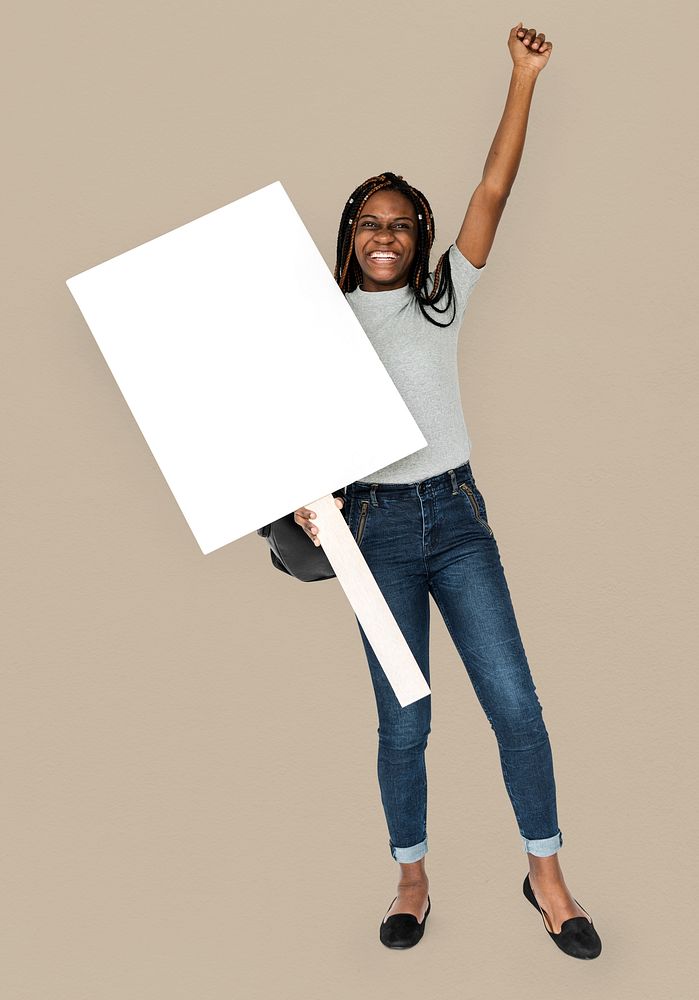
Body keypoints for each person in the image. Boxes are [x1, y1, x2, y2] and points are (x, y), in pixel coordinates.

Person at [294, 23, 601, 959]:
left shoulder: (442, 295)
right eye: (368, 223)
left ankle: (544, 874)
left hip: (457, 519)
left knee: (515, 704)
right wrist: (304, 498)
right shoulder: (313, 321)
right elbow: (280, 437)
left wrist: (521, 78)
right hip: (375, 531)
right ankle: (412, 878)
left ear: (418, 235)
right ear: (349, 236)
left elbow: (493, 186)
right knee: (405, 721)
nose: (384, 235)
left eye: (399, 223)